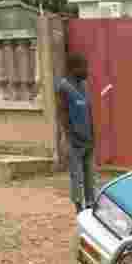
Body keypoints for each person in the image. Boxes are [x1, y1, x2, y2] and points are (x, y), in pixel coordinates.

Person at [57, 53, 96, 213]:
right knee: (77, 176)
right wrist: (69, 137)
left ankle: (90, 203)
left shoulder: (84, 86)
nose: (86, 70)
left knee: (89, 176)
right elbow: (62, 114)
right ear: (73, 69)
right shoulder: (63, 87)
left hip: (87, 139)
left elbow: (89, 112)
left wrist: (93, 136)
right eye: (83, 67)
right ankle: (79, 206)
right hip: (74, 140)